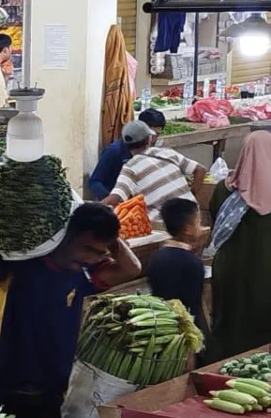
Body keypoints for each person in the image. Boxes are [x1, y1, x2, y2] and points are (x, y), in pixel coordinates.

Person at [0, 201, 141, 418]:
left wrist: (110, 234)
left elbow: (132, 269)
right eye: (87, 248)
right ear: (66, 235)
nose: (92, 258)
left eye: (99, 252)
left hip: (50, 392)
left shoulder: (84, 272)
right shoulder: (18, 261)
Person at [204, 130, 271, 363]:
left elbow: (213, 217)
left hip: (230, 267)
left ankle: (222, 365)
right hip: (265, 270)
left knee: (228, 318)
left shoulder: (224, 189)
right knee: (260, 320)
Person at [101, 120, 203, 223]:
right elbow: (200, 170)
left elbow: (114, 199)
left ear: (126, 145)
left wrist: (90, 209)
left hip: (166, 224)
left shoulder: (130, 168)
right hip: (193, 215)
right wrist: (191, 195)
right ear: (149, 139)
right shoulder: (167, 153)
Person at [146, 197, 207, 338]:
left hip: (161, 325)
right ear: (187, 229)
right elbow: (193, 307)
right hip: (184, 333)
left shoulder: (156, 257)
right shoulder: (192, 263)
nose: (201, 227)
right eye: (198, 222)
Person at [88, 110, 166, 199]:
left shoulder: (153, 152)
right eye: (150, 135)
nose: (152, 140)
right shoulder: (114, 151)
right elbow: (94, 182)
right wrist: (110, 198)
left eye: (157, 135)